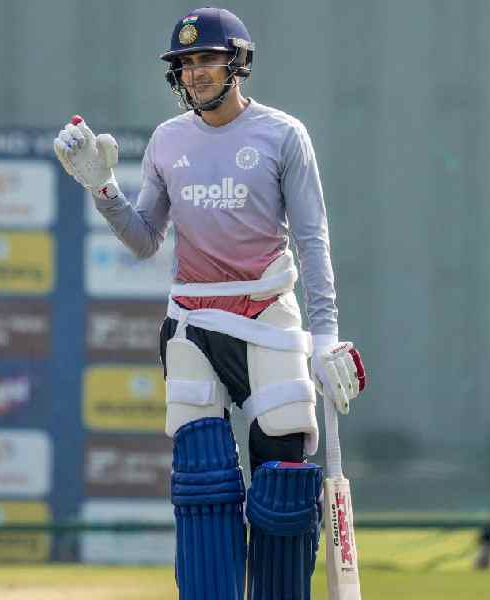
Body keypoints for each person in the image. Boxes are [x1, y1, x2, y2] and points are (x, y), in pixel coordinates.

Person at [54, 7, 366, 600]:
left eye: (207, 59)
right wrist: (103, 188)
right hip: (193, 323)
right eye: (186, 63)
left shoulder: (282, 134)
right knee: (203, 486)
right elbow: (145, 238)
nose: (195, 73)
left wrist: (325, 335)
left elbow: (312, 238)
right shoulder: (168, 141)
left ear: (238, 62)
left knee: (284, 493)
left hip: (268, 319)